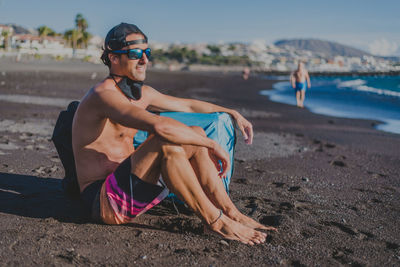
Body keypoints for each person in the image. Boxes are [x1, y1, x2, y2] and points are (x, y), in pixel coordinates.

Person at [72, 23, 276, 245]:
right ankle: (216, 222)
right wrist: (211, 144)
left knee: (194, 131)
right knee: (166, 141)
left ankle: (230, 211)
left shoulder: (142, 94)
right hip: (104, 202)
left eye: (146, 53)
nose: (144, 60)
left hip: (132, 188)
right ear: (113, 58)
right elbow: (161, 128)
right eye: (135, 54)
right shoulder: (103, 95)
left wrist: (232, 112)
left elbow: (188, 106)